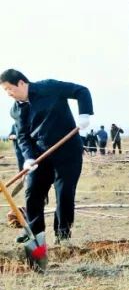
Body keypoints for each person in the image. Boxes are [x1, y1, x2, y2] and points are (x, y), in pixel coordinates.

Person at [1, 69, 93, 242]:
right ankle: (35, 234)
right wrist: (28, 157)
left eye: (9, 89)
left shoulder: (49, 87)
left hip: (68, 152)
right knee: (33, 191)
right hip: (40, 156)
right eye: (5, 90)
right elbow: (22, 136)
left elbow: (81, 91)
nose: (8, 94)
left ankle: (62, 235)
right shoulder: (16, 110)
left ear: (21, 83)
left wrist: (84, 113)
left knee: (64, 193)